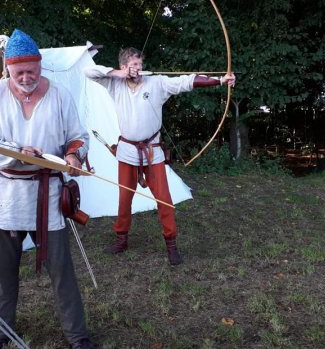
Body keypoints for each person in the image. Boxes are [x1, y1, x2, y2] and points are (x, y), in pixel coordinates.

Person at [0, 29, 96, 349]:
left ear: (40, 67)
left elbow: (78, 134)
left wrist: (71, 154)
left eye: (32, 70)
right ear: (7, 69)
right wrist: (16, 152)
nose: (27, 77)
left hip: (47, 194)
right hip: (7, 195)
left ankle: (77, 336)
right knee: (5, 271)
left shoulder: (58, 95)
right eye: (19, 72)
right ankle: (0, 332)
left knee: (61, 270)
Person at [84, 47, 235, 265]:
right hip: (127, 152)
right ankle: (121, 240)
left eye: (140, 65)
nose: (138, 69)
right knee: (125, 198)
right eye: (133, 65)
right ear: (123, 66)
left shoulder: (157, 84)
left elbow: (186, 81)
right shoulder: (114, 83)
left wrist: (220, 80)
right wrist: (116, 74)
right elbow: (89, 71)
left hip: (152, 152)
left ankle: (171, 244)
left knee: (164, 199)